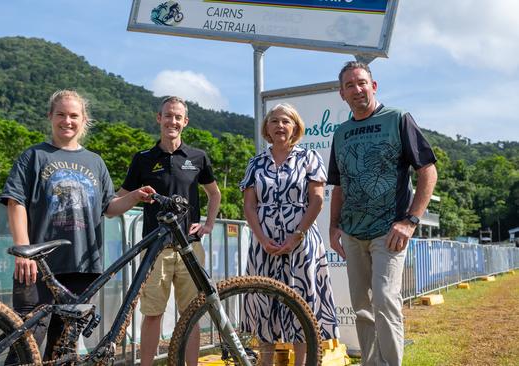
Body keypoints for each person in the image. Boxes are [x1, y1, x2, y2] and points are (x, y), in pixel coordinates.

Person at [1, 90, 155, 362]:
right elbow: (15, 202)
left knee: (64, 348)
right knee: (26, 344)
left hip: (84, 267)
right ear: (50, 117)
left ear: (84, 120)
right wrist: (24, 251)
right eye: (61, 114)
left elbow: (109, 207)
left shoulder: (95, 162)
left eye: (74, 115)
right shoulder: (34, 156)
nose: (67, 121)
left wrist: (134, 196)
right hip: (38, 267)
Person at [328, 61, 438, 366]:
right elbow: (337, 186)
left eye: (362, 82)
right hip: (352, 232)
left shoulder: (398, 119)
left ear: (373, 86)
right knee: (362, 306)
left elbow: (428, 171)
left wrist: (411, 220)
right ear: (342, 94)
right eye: (349, 85)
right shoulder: (341, 133)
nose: (357, 89)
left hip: (388, 231)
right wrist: (333, 227)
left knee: (385, 300)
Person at [118, 96, 221, 366]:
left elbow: (214, 194)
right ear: (159, 118)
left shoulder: (198, 157)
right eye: (168, 115)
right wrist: (106, 206)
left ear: (185, 122)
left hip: (190, 248)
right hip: (155, 249)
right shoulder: (143, 159)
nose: (172, 121)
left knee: (192, 314)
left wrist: (208, 225)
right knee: (152, 314)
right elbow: (120, 197)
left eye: (178, 117)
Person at [240, 103, 340, 365]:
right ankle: (265, 361)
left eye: (286, 121)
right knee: (263, 301)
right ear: (267, 128)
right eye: (274, 121)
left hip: (302, 241)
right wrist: (262, 239)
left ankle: (302, 363)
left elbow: (317, 200)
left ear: (295, 126)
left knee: (302, 300)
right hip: (264, 243)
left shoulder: (310, 158)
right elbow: (249, 205)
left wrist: (296, 235)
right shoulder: (256, 162)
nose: (280, 126)